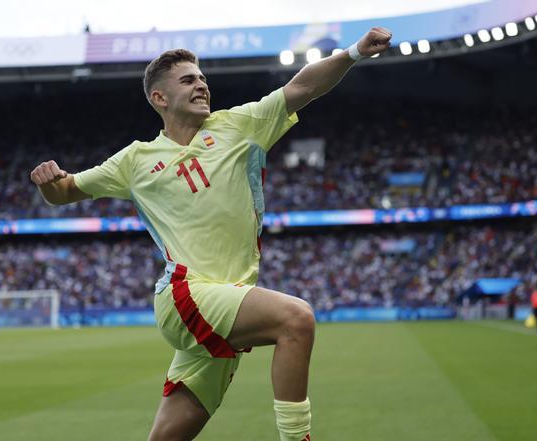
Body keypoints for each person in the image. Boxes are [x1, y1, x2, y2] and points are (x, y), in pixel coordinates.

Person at [30, 27, 392, 441]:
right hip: (186, 294)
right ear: (159, 98)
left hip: (225, 298)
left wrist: (353, 52)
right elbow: (65, 191)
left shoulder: (238, 126)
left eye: (202, 78)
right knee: (297, 319)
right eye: (188, 80)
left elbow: (303, 86)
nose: (201, 84)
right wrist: (46, 181)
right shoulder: (135, 160)